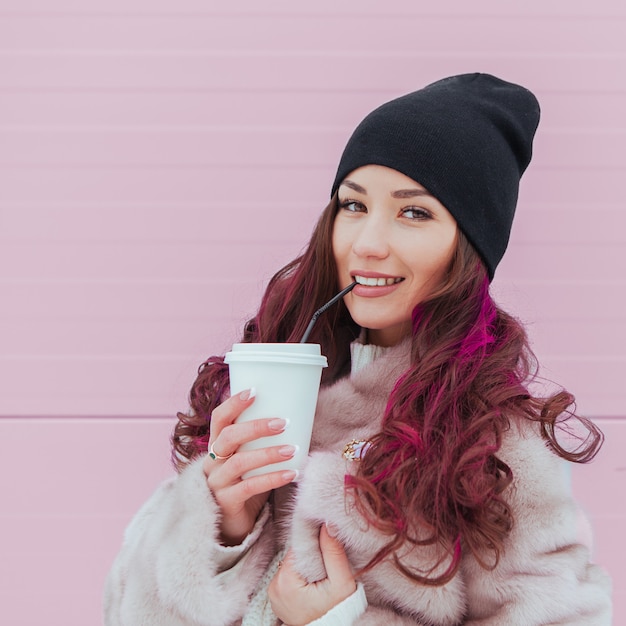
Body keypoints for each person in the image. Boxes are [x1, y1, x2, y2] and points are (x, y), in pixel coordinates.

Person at [104, 73, 612, 625]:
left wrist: (339, 620)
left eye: (414, 212)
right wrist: (224, 524)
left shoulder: (496, 446)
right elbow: (126, 608)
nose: (367, 243)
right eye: (353, 205)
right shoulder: (280, 383)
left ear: (468, 250)